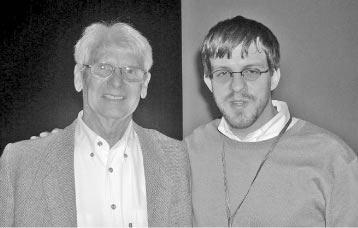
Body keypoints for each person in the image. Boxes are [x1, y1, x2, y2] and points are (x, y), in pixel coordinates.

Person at [0, 21, 192, 227]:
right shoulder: (21, 164)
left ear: (144, 84)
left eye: (131, 71)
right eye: (103, 68)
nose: (117, 82)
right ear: (79, 77)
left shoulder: (177, 159)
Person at [184, 15, 358, 227]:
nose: (237, 86)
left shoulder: (332, 158)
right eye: (222, 73)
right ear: (209, 82)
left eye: (251, 71)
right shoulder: (190, 150)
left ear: (274, 76)